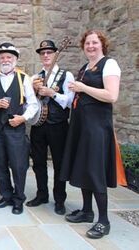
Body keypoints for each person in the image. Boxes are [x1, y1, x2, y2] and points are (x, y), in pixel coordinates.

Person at [60, 30, 121, 239]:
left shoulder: (109, 64)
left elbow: (111, 95)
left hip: (97, 128)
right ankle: (87, 211)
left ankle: (103, 220)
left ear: (102, 44)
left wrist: (83, 87)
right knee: (84, 168)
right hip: (81, 127)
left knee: (95, 171)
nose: (91, 46)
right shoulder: (85, 67)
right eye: (87, 43)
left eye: (95, 42)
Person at [0, 43, 38, 215]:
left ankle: (18, 198)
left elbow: (33, 104)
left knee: (18, 165)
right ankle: (6, 196)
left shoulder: (24, 79)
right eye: (2, 57)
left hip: (16, 129)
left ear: (15, 60)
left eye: (9, 57)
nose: (5, 60)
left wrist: (23, 118)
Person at [25, 40, 75, 215]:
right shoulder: (35, 77)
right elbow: (30, 102)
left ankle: (60, 199)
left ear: (55, 54)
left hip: (58, 125)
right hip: (39, 125)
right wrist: (33, 89)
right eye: (42, 53)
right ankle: (42, 194)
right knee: (38, 162)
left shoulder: (66, 75)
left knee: (59, 163)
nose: (45, 55)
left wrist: (52, 93)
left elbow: (69, 101)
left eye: (49, 52)